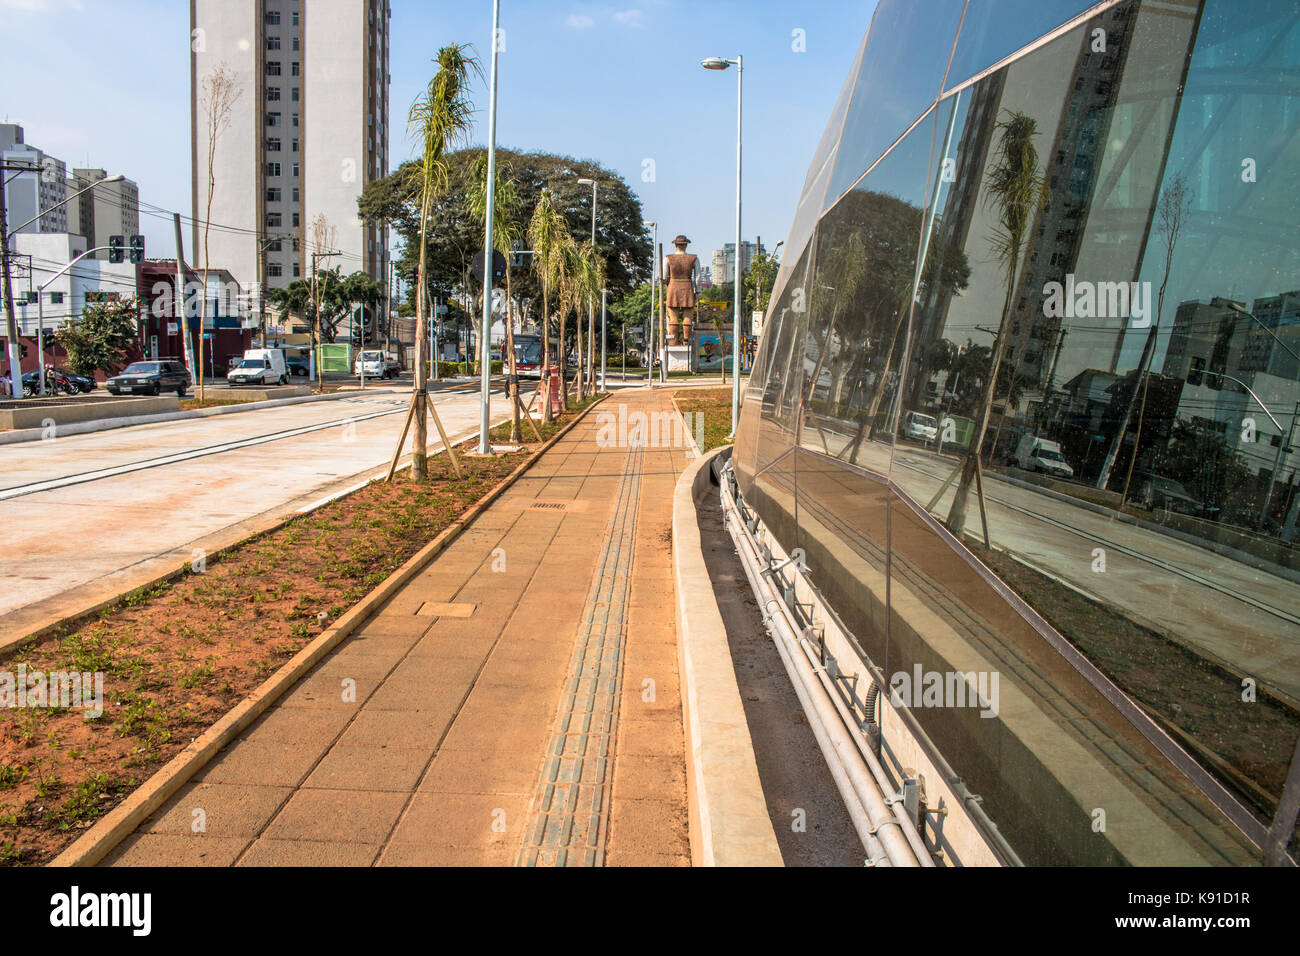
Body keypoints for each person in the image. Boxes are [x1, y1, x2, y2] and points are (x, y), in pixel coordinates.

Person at [663, 235, 698, 347]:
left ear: (675, 245)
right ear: (686, 244)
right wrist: (697, 291)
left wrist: (667, 284)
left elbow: (664, 277)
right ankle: (686, 341)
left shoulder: (668, 258)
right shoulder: (694, 258)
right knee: (688, 318)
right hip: (687, 288)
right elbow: (697, 278)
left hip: (672, 288)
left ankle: (673, 341)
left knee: (673, 318)